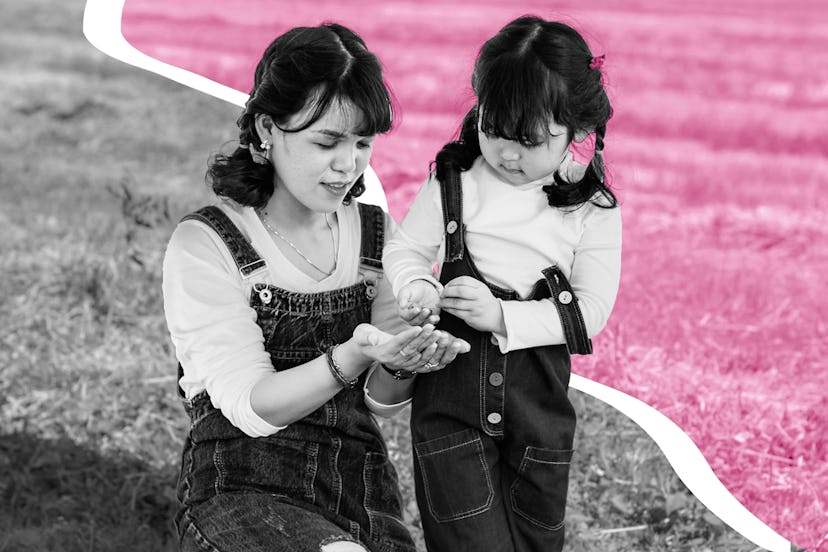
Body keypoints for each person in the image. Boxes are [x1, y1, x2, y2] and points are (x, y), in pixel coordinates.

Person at [162, 23, 469, 552]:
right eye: (326, 141)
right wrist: (348, 356)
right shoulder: (206, 243)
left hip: (362, 490)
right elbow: (250, 408)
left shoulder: (379, 236)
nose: (348, 164)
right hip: (242, 489)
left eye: (362, 143)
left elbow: (379, 400)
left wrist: (405, 360)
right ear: (266, 130)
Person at [383, 16, 622, 552]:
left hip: (538, 420)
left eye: (530, 140)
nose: (507, 154)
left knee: (534, 541)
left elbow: (589, 313)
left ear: (578, 131)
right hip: (451, 411)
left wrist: (501, 317)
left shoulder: (592, 210)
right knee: (471, 541)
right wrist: (416, 284)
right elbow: (406, 249)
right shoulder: (455, 182)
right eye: (494, 130)